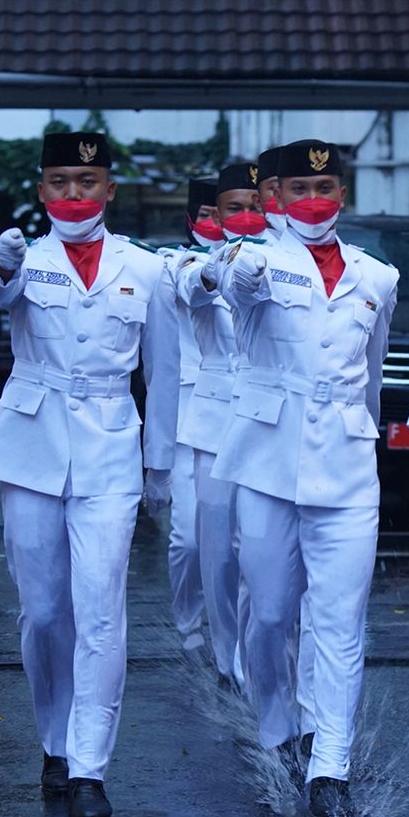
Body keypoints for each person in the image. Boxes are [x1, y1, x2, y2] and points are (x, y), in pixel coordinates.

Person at [0, 131, 180, 817]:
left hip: (109, 447)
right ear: (41, 190)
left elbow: (165, 372)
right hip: (32, 444)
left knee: (100, 608)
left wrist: (159, 463)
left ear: (109, 190)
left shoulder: (144, 268)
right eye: (59, 182)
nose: (73, 194)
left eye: (86, 182)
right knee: (43, 612)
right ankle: (53, 739)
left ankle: (89, 767)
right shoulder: (22, 258)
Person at [213, 139, 397, 817]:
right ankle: (278, 729)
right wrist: (242, 270)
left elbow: (370, 376)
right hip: (267, 462)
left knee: (339, 620)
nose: (316, 201)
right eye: (300, 190)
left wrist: (367, 440)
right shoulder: (254, 259)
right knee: (268, 617)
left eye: (327, 187)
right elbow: (230, 286)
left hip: (347, 468)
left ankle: (331, 765)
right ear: (274, 199)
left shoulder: (376, 276)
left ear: (342, 194)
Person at [177, 162, 264, 687]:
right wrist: (223, 264)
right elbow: (194, 287)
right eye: (235, 207)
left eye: (256, 206)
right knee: (213, 545)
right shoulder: (190, 261)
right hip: (211, 416)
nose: (246, 216)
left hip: (263, 415)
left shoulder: (287, 260)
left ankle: (257, 655)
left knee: (255, 543)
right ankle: (224, 652)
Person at [166, 178, 217, 658]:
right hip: (185, 415)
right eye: (205, 213)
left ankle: (229, 624)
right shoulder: (173, 262)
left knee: (236, 538)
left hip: (240, 414)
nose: (215, 223)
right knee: (187, 537)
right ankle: (188, 618)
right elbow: (192, 287)